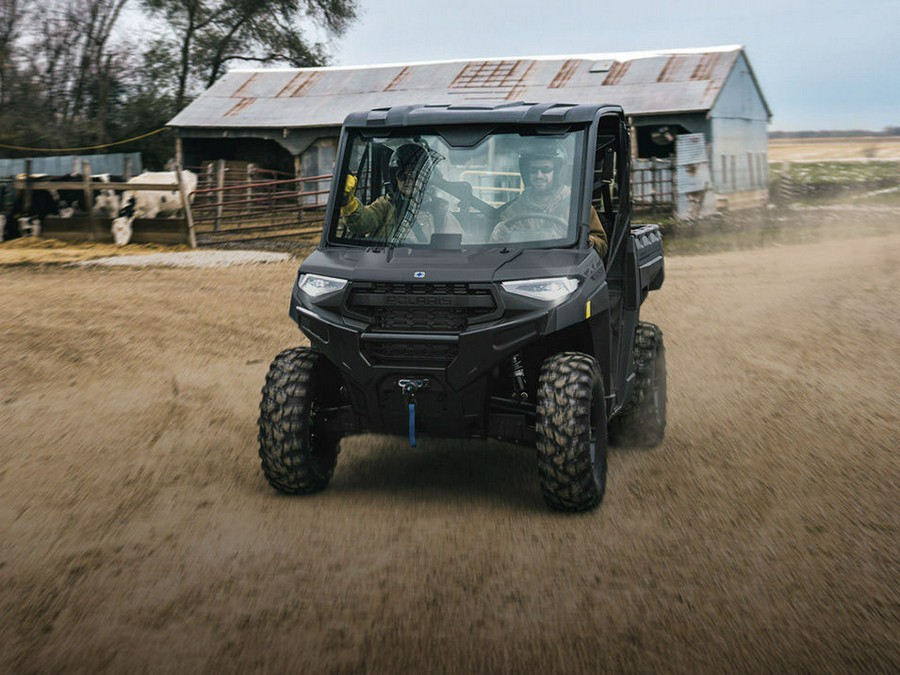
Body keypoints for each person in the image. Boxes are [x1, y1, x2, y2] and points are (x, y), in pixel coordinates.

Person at [491, 143, 608, 258]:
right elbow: (496, 250)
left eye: (545, 170)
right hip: (523, 269)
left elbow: (601, 246)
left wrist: (582, 240)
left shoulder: (577, 206)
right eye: (533, 170)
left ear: (558, 172)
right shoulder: (514, 210)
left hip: (564, 271)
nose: (539, 175)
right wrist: (498, 237)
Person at [339, 143, 461, 243]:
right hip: (390, 265)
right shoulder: (386, 205)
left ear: (424, 179)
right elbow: (363, 223)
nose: (408, 180)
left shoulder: (439, 211)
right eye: (402, 175)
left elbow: (457, 248)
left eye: (415, 175)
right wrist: (349, 202)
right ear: (395, 178)